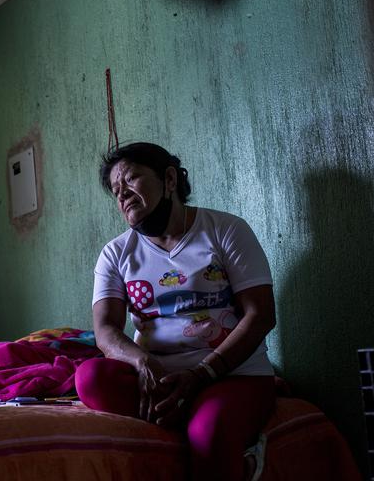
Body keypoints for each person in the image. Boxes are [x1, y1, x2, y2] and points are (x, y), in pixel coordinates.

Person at [76, 142, 277, 481]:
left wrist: (201, 375)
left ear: (169, 179)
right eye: (116, 191)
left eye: (131, 179)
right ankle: (187, 414)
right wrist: (142, 362)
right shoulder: (115, 254)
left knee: (208, 433)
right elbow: (106, 331)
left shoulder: (225, 230)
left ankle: (217, 433)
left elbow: (260, 315)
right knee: (90, 378)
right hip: (158, 379)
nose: (122, 195)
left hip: (228, 374)